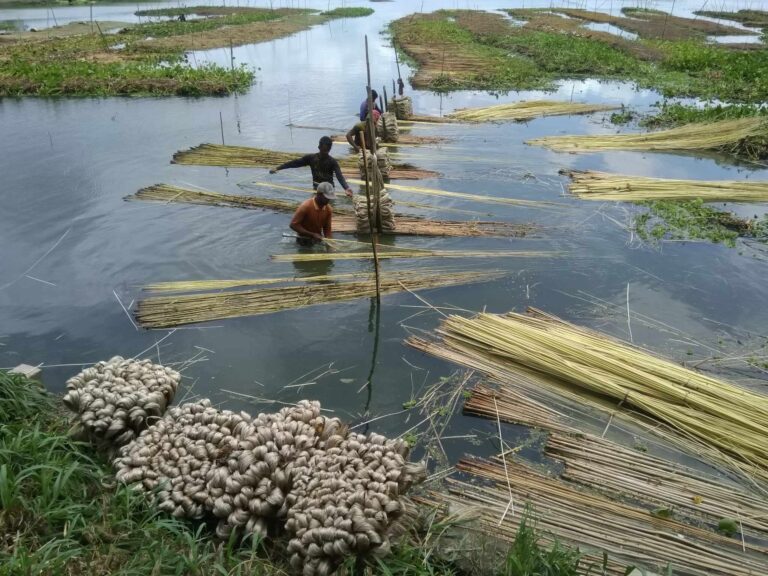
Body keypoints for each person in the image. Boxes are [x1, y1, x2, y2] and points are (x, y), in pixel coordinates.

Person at [270, 136, 353, 197]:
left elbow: (339, 176)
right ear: (319, 147)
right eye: (323, 151)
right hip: (316, 189)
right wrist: (278, 168)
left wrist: (346, 188)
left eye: (326, 151)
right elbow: (294, 163)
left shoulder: (332, 162)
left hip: (329, 190)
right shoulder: (311, 158)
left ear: (330, 150)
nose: (325, 153)